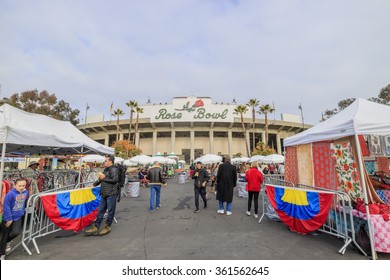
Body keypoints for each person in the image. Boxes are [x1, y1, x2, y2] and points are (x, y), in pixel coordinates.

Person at [85, 155, 119, 236]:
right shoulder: (106, 169)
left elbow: (115, 180)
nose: (104, 162)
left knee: (110, 210)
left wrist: (103, 178)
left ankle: (108, 226)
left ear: (110, 161)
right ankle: (96, 226)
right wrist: (93, 185)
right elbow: (100, 179)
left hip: (111, 193)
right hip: (104, 193)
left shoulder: (114, 169)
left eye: (106, 161)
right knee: (100, 210)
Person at [0, 178, 28, 260]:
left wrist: (22, 211)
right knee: (5, 235)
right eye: (20, 186)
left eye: (24, 185)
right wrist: (9, 218)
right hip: (7, 218)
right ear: (15, 185)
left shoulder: (26, 192)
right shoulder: (10, 194)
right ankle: (2, 253)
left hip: (18, 217)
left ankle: (4, 244)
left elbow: (23, 203)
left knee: (16, 232)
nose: (22, 187)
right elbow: (6, 206)